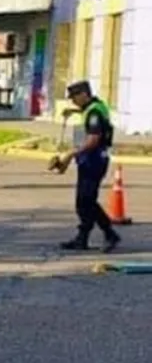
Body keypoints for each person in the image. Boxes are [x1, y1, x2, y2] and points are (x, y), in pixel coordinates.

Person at [52, 80, 120, 252]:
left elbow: (93, 140)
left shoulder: (94, 113)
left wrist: (71, 154)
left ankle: (109, 234)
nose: (73, 101)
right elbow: (87, 112)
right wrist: (72, 111)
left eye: (74, 97)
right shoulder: (95, 106)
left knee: (86, 200)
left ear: (83, 94)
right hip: (92, 159)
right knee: (84, 201)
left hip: (94, 160)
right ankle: (82, 238)